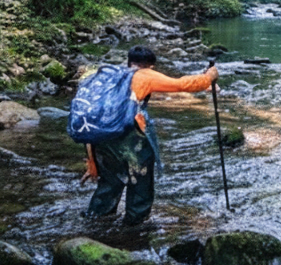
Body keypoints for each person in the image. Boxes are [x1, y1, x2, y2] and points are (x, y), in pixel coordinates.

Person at [82, 46, 218, 225]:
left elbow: (90, 119)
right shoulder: (145, 75)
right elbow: (185, 84)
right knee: (140, 184)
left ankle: (95, 221)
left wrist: (91, 161)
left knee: (110, 182)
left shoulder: (108, 78)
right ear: (151, 66)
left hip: (101, 139)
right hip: (132, 138)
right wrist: (210, 76)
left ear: (129, 61)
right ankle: (135, 227)